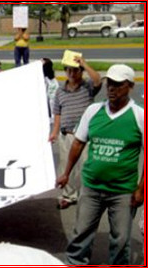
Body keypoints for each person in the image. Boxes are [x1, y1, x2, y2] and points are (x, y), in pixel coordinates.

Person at [57, 64, 144, 265]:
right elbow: (78, 143)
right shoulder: (93, 110)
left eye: (118, 85)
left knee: (121, 238)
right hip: (91, 187)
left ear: (130, 86)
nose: (111, 88)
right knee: (81, 233)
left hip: (122, 191)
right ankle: (76, 262)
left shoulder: (139, 116)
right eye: (109, 84)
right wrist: (66, 173)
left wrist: (141, 189)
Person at [49, 56, 102, 210]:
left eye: (75, 70)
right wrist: (54, 132)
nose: (72, 73)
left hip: (85, 135)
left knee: (86, 166)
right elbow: (57, 112)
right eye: (69, 70)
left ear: (81, 71)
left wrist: (84, 63)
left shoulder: (88, 87)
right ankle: (68, 196)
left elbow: (98, 80)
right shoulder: (60, 91)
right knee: (67, 167)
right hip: (67, 135)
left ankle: (87, 196)